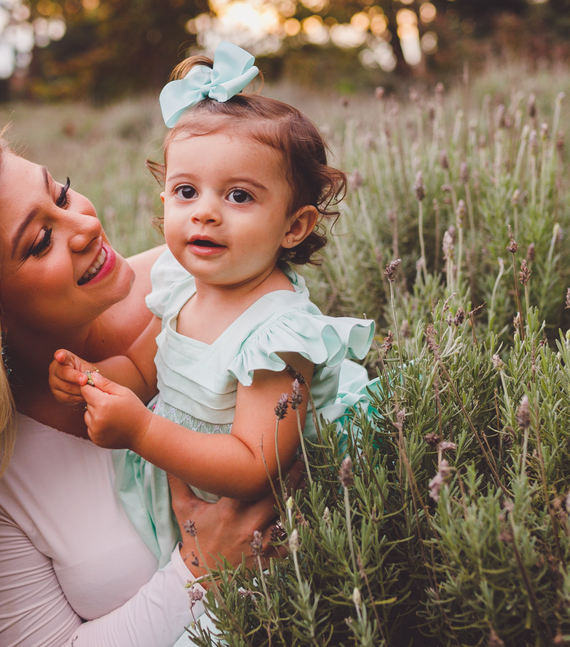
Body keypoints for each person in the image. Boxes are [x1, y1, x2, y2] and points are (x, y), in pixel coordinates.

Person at [0, 126, 282, 647]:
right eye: (40, 242)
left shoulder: (207, 277)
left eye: (60, 191)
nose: (83, 223)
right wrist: (199, 571)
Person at [49, 42, 374, 563]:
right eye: (186, 191)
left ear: (294, 226)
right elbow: (145, 366)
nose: (204, 213)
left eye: (239, 196)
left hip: (268, 521)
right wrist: (94, 378)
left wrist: (141, 430)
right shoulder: (182, 285)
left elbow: (253, 464)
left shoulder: (277, 336)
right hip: (193, 483)